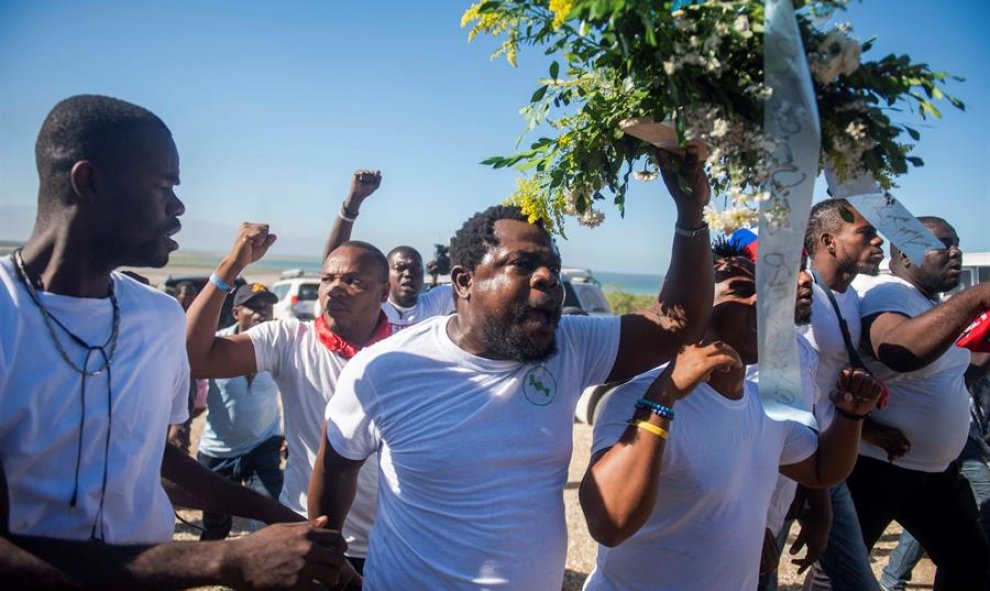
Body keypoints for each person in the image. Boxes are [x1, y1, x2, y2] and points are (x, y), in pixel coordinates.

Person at [309, 148, 716, 590]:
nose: (547, 279)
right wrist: (331, 569)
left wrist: (690, 214)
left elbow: (676, 325)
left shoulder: (568, 345)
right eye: (522, 265)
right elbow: (337, 467)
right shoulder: (386, 368)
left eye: (553, 268)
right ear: (464, 282)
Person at [0, 95, 348, 589]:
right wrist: (224, 561)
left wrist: (278, 516)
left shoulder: (158, 317)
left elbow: (150, 462)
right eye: (164, 186)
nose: (179, 208)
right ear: (88, 181)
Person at [579, 249, 883, 591]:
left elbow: (820, 471)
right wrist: (664, 396)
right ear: (691, 309)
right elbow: (609, 524)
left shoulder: (767, 406)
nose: (761, 303)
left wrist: (850, 415)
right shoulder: (637, 399)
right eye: (740, 292)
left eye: (766, 293)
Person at [185, 223, 391, 579]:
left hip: (391, 540)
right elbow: (195, 356)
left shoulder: (406, 353)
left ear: (384, 292)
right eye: (327, 280)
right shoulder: (289, 341)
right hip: (310, 533)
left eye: (353, 281)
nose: (335, 290)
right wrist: (230, 269)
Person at [849, 216, 990, 590]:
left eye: (956, 242)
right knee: (841, 573)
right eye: (941, 245)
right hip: (879, 468)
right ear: (903, 255)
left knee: (970, 563)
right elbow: (898, 352)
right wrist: (977, 297)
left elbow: (953, 375)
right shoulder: (888, 293)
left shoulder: (931, 302)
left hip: (934, 472)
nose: (955, 252)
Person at [799, 198, 887, 591]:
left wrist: (867, 430)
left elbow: (830, 380)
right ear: (829, 242)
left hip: (824, 460)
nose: (879, 241)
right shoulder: (799, 294)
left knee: (854, 580)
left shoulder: (854, 298)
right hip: (783, 455)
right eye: (866, 233)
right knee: (754, 574)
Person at [879, 374, 990, 591]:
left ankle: (892, 579)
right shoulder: (972, 350)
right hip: (954, 442)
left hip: (954, 444)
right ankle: (892, 580)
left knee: (937, 520)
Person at [196, 282, 284, 540]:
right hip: (218, 450)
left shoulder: (280, 346)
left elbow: (294, 389)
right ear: (236, 313)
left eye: (266, 307)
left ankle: (267, 571)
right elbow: (189, 379)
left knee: (268, 513)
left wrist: (289, 431)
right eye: (253, 307)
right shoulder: (214, 343)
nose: (261, 313)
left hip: (263, 446)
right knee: (215, 524)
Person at [319, 170, 454, 333]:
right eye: (400, 268)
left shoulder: (435, 303)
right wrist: (354, 201)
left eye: (415, 269)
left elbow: (477, 283)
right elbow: (335, 263)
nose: (408, 274)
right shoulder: (374, 307)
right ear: (384, 282)